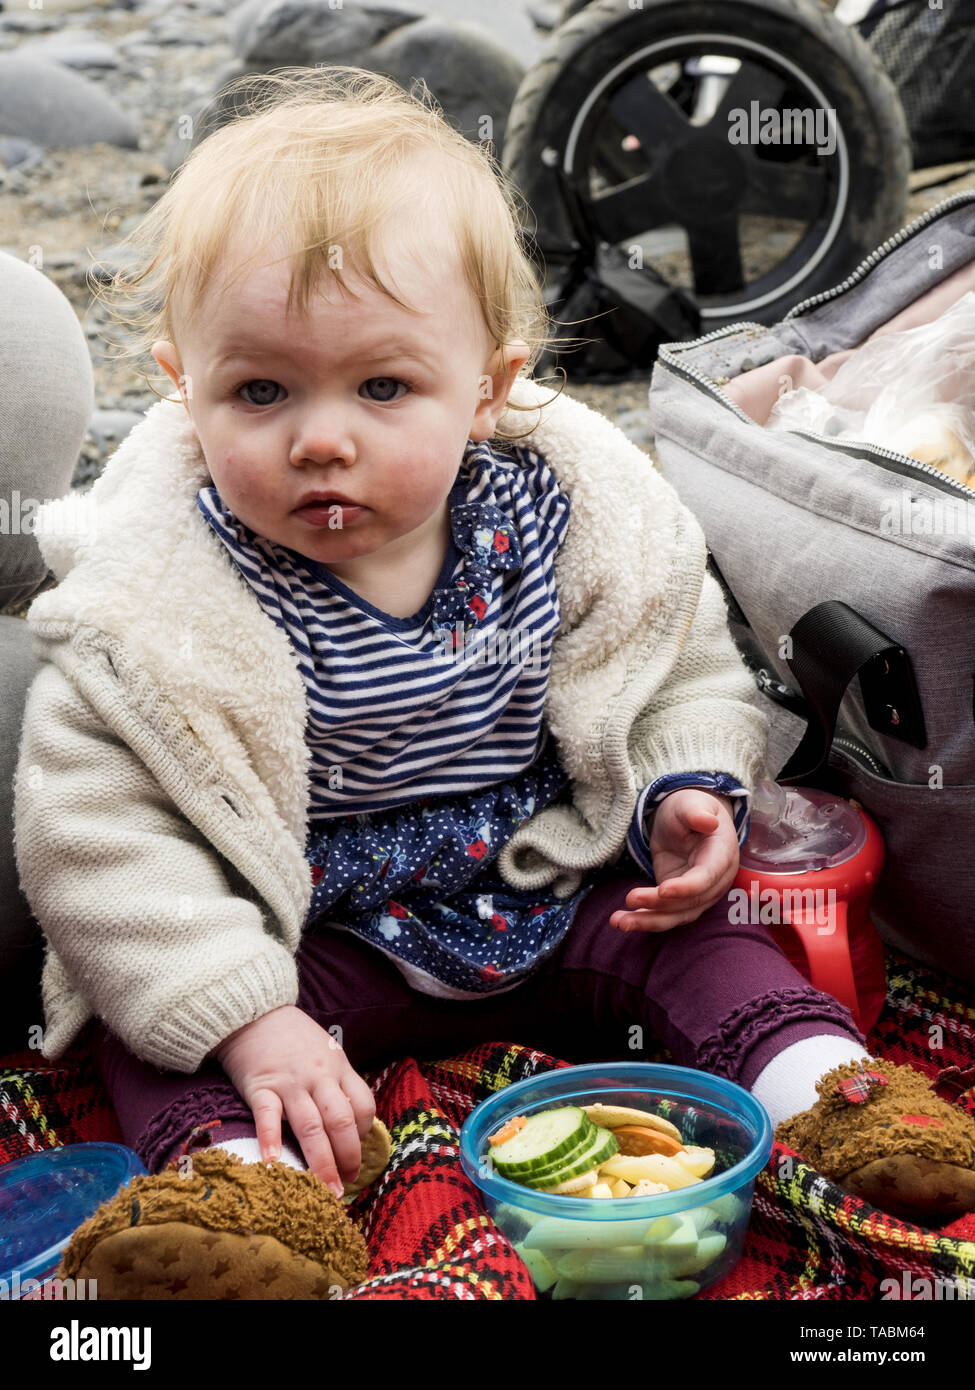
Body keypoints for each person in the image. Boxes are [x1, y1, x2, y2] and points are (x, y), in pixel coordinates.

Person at [11, 67, 963, 1297]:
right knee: (157, 1031)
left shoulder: (573, 520)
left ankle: (842, 1101)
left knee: (715, 938)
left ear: (490, 387)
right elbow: (99, 840)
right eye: (260, 390)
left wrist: (683, 786)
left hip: (548, 879)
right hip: (309, 930)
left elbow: (679, 662)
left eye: (384, 387)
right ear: (182, 383)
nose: (320, 437)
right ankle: (244, 1199)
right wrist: (246, 1014)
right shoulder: (159, 594)